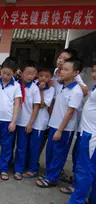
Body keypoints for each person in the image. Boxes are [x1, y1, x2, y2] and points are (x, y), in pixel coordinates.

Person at [52, 62, 96, 204]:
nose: (94, 74)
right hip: (87, 132)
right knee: (90, 169)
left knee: (85, 170)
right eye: (94, 70)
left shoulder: (78, 90)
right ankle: (92, 199)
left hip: (91, 136)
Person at [36, 58, 84, 188]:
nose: (62, 72)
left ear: (75, 72)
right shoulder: (61, 86)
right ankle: (49, 174)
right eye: (62, 69)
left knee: (59, 153)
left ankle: (52, 178)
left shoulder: (76, 91)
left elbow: (69, 113)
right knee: (50, 151)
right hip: (54, 124)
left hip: (64, 129)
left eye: (66, 70)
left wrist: (60, 130)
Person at [22, 67, 55, 179]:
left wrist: (40, 90)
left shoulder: (50, 89)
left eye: (46, 76)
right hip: (29, 120)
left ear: (51, 77)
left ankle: (33, 169)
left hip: (40, 123)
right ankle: (26, 164)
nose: (43, 78)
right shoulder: (33, 84)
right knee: (26, 145)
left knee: (35, 146)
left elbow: (41, 105)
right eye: (41, 75)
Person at [13, 60, 41, 180]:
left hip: (25, 122)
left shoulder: (35, 88)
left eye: (33, 73)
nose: (30, 76)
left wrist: (30, 123)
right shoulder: (15, 85)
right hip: (13, 120)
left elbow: (36, 107)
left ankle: (19, 169)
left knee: (22, 147)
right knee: (11, 145)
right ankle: (12, 164)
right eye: (28, 73)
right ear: (21, 72)